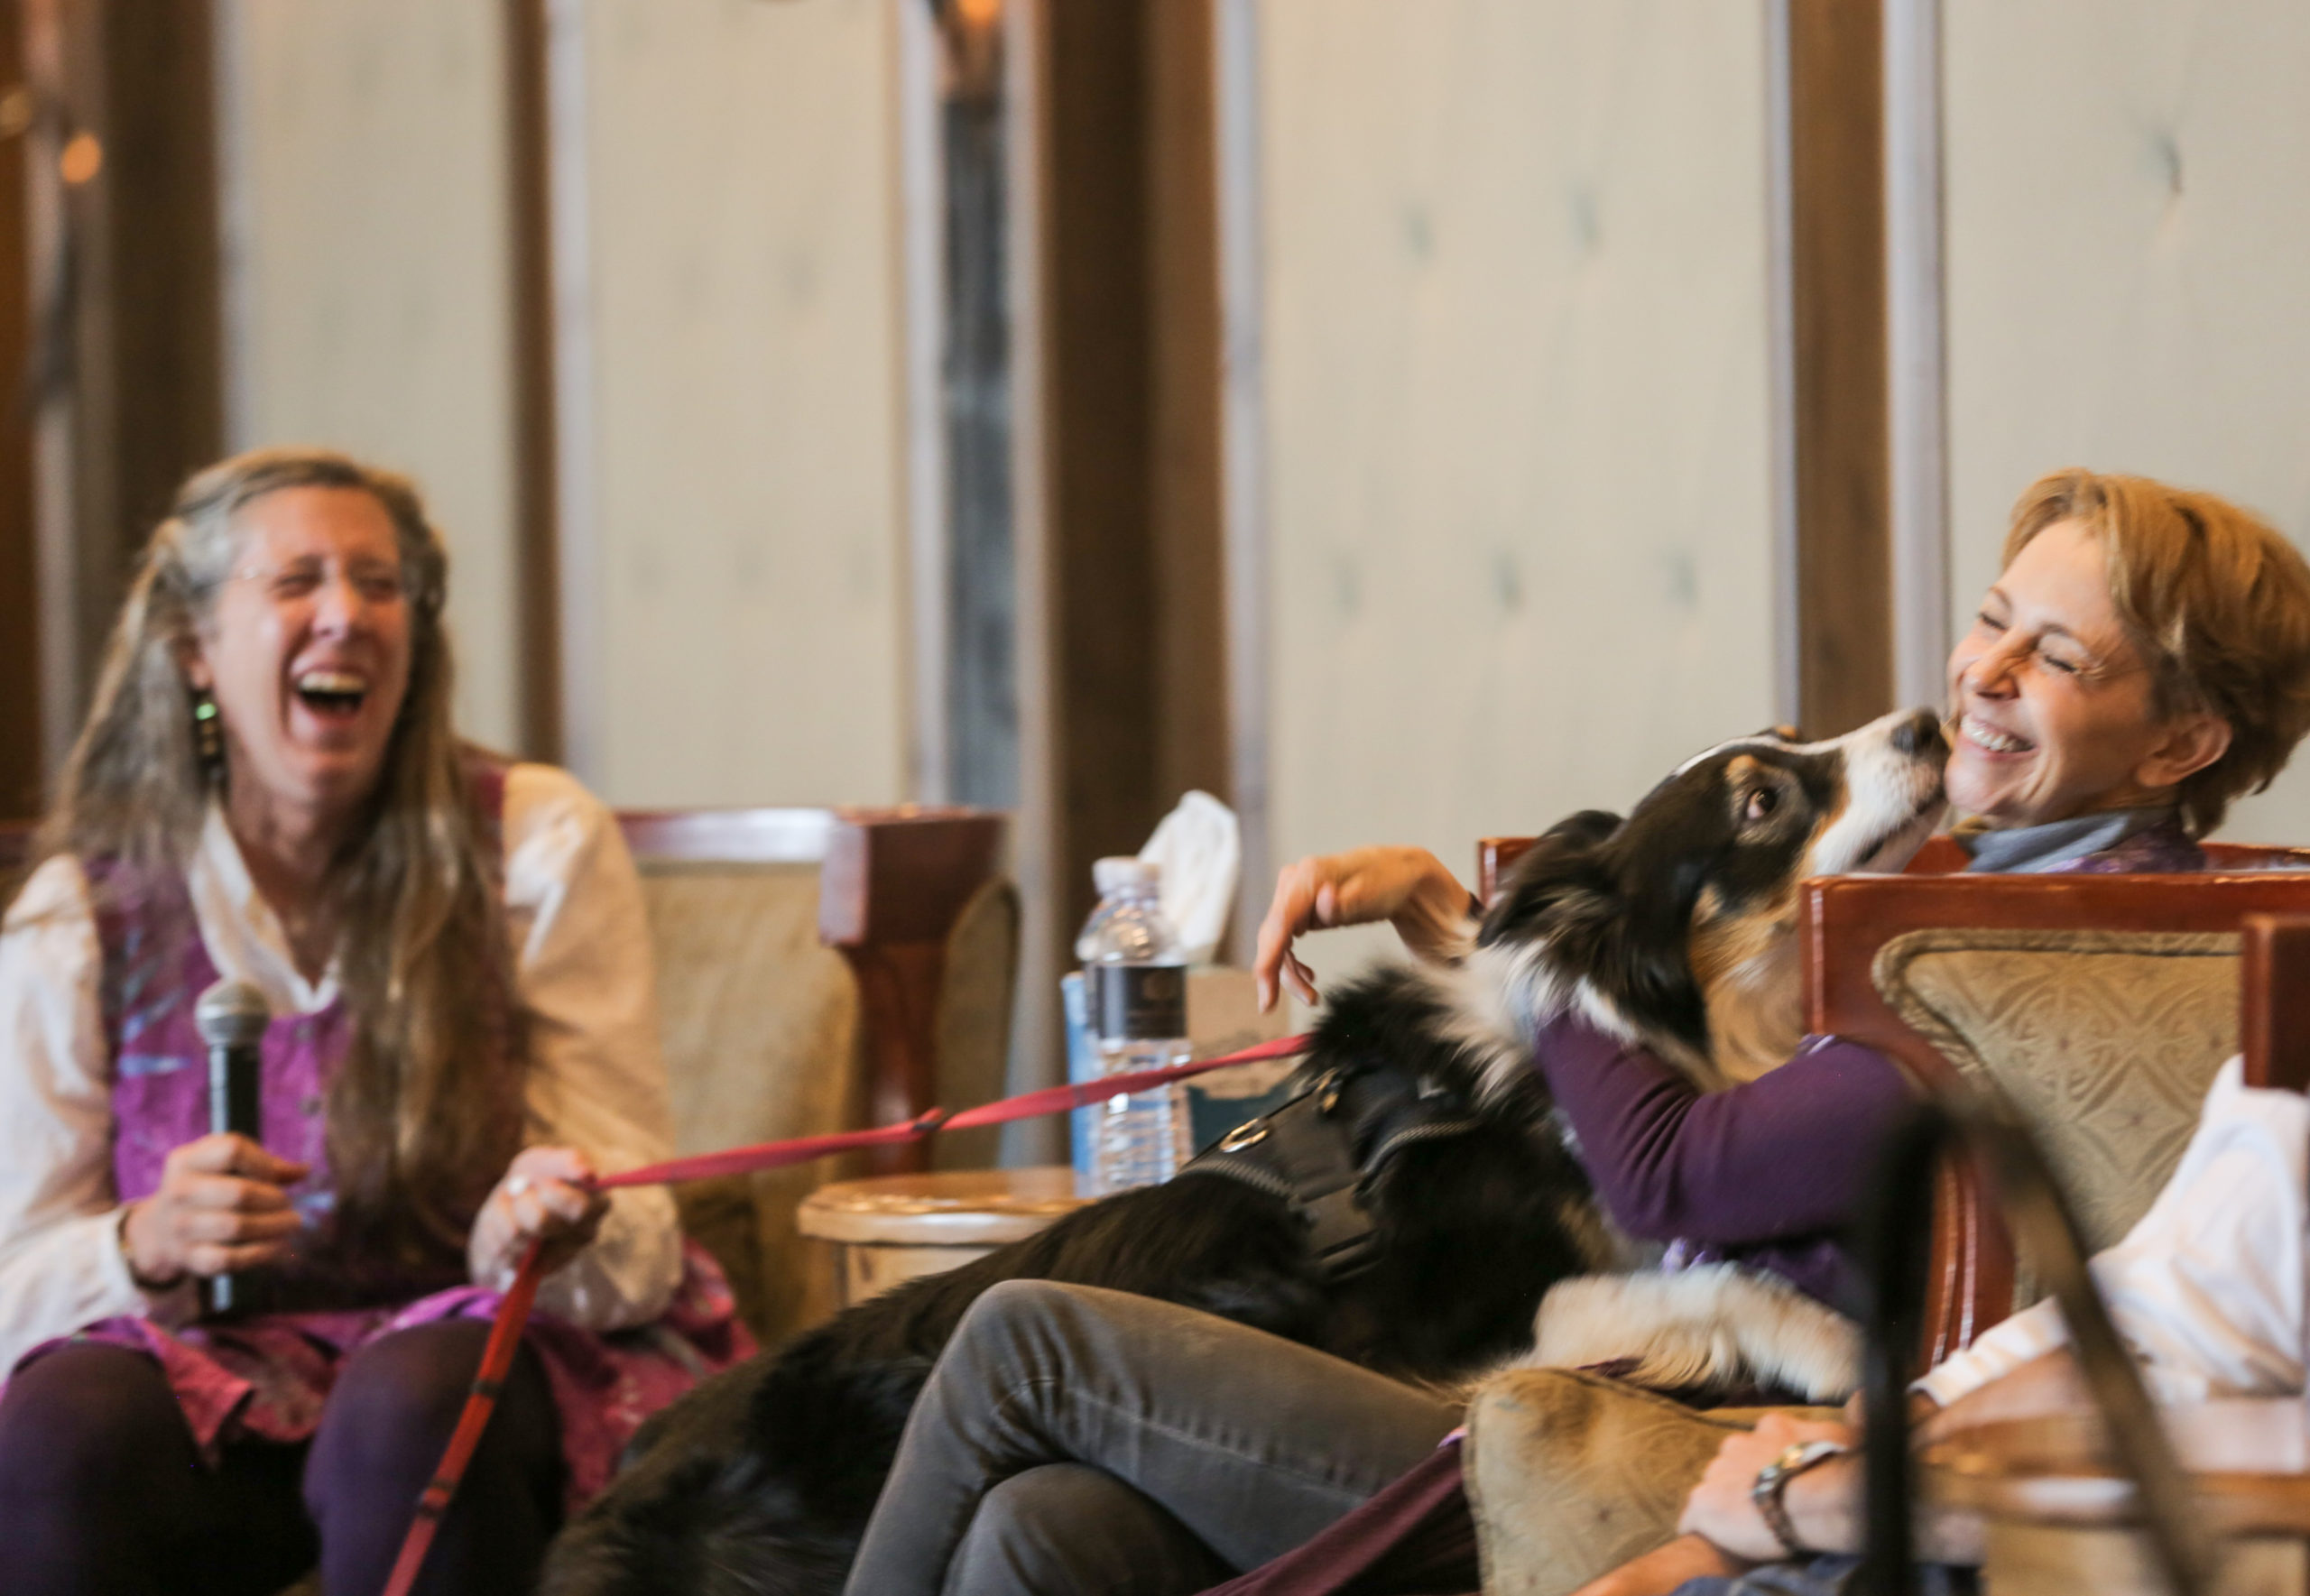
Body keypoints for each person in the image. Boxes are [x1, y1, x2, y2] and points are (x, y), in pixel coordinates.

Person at [837, 468, 2310, 1596]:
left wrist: (1534, 927)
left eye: (2056, 655)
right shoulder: (1949, 889)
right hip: (1636, 1386)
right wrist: (1473, 923)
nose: (1983, 672)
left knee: (1026, 1334)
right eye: (1992, 615)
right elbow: (1674, 1039)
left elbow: (1675, 1169)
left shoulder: (2043, 957)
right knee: (1053, 1525)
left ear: (2183, 743)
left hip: (1688, 1443)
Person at [0, 449, 748, 1596]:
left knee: (411, 1403)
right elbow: (13, 1283)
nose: (346, 613)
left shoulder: (531, 842)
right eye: (294, 580)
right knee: (66, 1418)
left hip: (469, 1374)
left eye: (380, 583)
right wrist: (139, 1243)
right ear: (196, 645)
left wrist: (553, 1225)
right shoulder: (84, 909)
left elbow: (638, 1215)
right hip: (219, 1395)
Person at [1577, 1044, 2310, 1596]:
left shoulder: (1879, 1053)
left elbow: (1659, 1177)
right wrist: (1869, 1447)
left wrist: (1805, 1499)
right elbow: (2166, 1308)